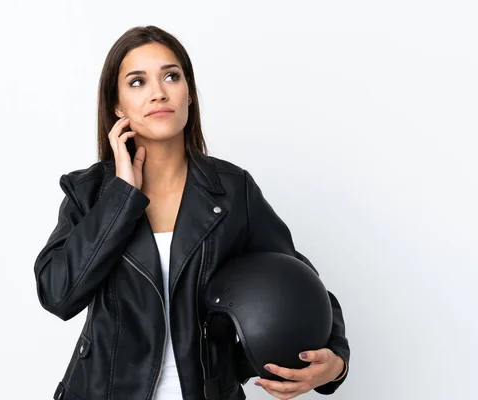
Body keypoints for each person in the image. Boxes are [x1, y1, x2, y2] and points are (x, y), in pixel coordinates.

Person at [34, 25, 350, 400]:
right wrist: (121, 196)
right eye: (137, 82)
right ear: (117, 106)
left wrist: (336, 360)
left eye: (171, 76)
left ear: (189, 95)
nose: (158, 92)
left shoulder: (233, 190)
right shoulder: (88, 192)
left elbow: (298, 278)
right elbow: (58, 295)